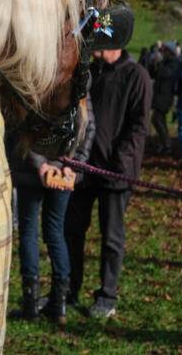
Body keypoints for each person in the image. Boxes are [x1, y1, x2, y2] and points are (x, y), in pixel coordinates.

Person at [64, 48, 151, 319]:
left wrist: (119, 161)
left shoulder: (137, 76)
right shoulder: (92, 72)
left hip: (116, 174)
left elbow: (138, 125)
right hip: (85, 170)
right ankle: (69, 289)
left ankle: (107, 294)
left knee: (111, 237)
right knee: (73, 231)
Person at [7, 95, 96, 324]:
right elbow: (88, 126)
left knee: (31, 230)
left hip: (42, 171)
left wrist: (51, 165)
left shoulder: (41, 75)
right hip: (57, 172)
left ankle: (35, 304)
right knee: (52, 230)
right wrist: (70, 164)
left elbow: (21, 123)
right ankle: (57, 304)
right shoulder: (77, 78)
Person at [151, 46, 178, 155]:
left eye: (165, 51)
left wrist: (160, 63)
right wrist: (155, 64)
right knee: (159, 120)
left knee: (156, 119)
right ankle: (165, 143)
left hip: (166, 96)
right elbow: (154, 74)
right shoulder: (166, 61)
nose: (163, 53)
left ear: (170, 52)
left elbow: (167, 74)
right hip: (160, 95)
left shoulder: (174, 62)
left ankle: (167, 144)